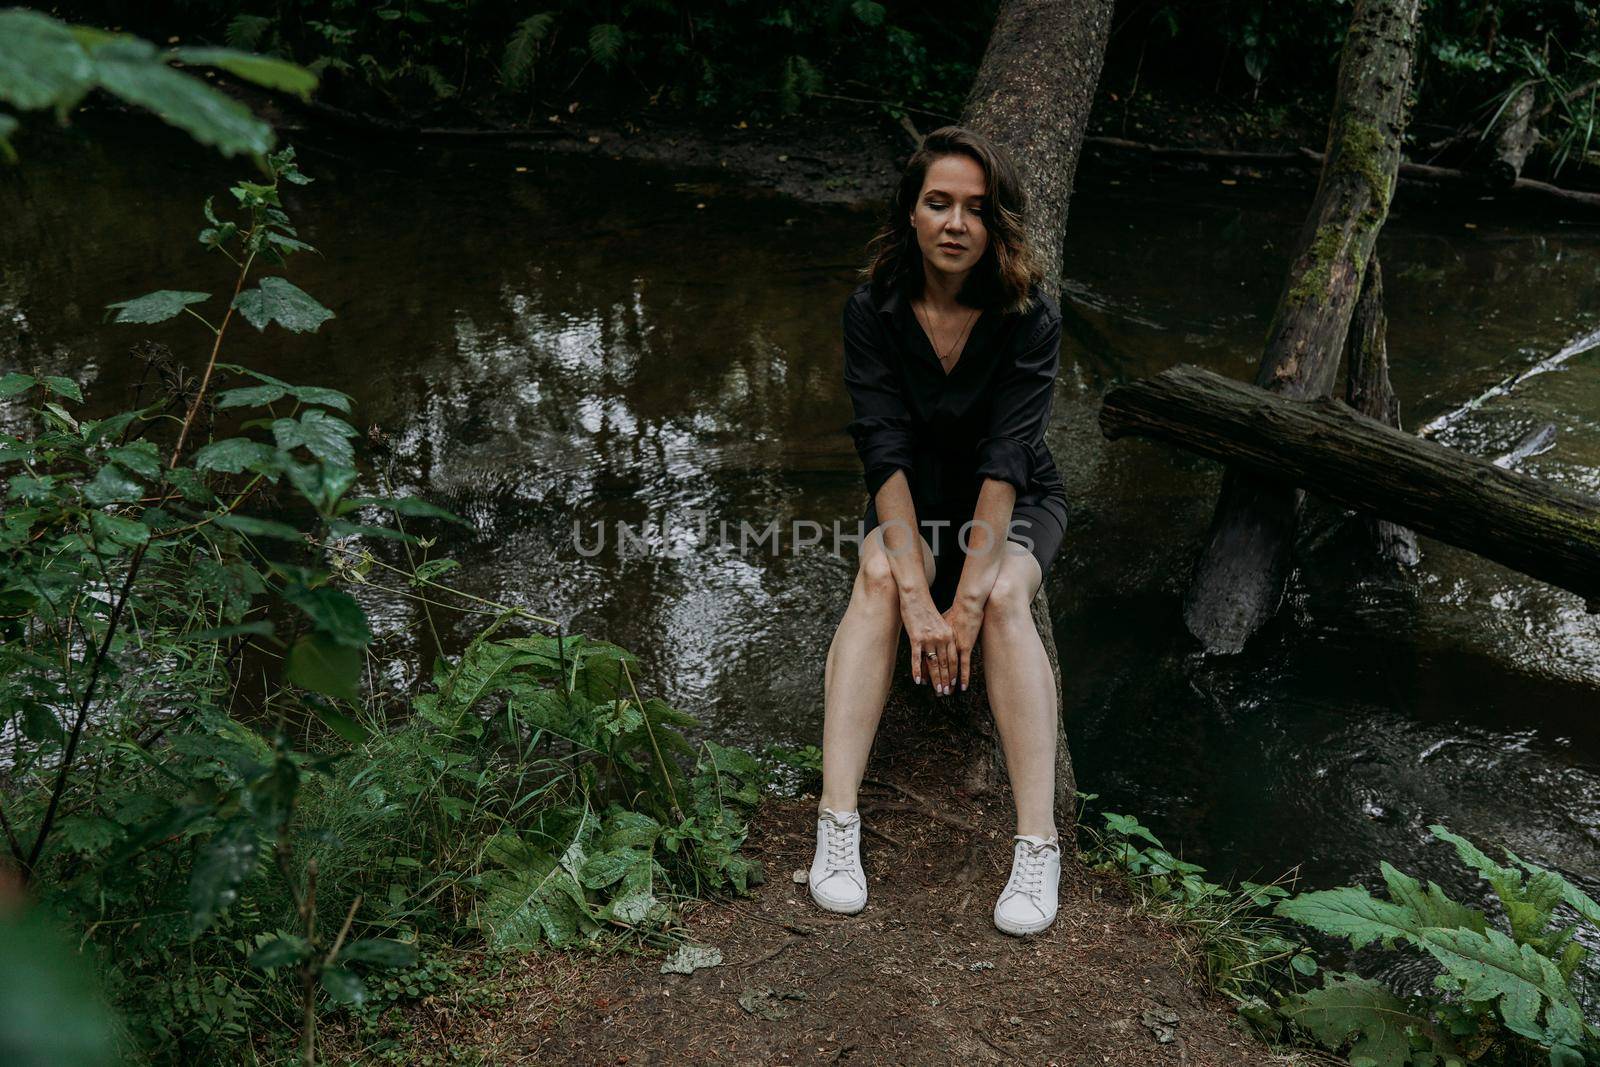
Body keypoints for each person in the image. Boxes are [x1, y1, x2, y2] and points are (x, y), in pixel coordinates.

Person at [810, 125, 1070, 936]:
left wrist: (961, 607)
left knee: (1000, 603)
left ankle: (1038, 845)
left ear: (997, 226)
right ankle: (836, 826)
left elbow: (1006, 459)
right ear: (911, 216)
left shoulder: (1029, 316)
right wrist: (919, 598)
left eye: (976, 208)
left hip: (1016, 496)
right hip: (909, 496)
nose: (956, 222)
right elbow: (880, 445)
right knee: (881, 578)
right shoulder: (872, 310)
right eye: (939, 204)